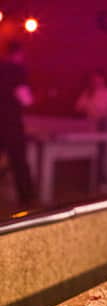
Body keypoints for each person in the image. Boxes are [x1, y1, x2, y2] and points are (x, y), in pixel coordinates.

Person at [0, 41, 35, 207]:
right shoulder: (18, 71)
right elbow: (25, 99)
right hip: (12, 124)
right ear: (19, 53)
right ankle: (27, 198)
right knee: (19, 162)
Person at [76, 70, 107, 192]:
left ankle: (105, 181)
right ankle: (91, 181)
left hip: (106, 128)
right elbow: (79, 107)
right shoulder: (87, 93)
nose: (95, 83)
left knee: (105, 155)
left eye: (98, 80)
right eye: (93, 80)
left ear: (102, 81)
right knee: (93, 155)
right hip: (90, 128)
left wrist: (103, 118)